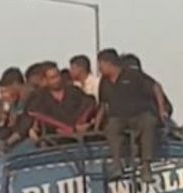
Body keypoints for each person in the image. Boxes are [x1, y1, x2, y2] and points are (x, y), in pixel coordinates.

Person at [95, 48, 166, 181]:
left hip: (140, 114)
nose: (99, 68)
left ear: (108, 63)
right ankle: (116, 164)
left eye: (100, 65)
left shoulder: (133, 74)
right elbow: (103, 105)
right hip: (118, 118)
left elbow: (156, 87)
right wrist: (96, 126)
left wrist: (161, 111)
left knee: (148, 123)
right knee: (111, 127)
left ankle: (146, 166)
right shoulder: (104, 82)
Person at [26, 61, 96, 135]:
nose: (57, 80)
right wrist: (69, 129)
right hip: (54, 140)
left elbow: (89, 103)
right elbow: (38, 115)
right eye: (52, 78)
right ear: (44, 80)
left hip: (82, 136)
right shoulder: (39, 97)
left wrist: (82, 122)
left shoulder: (73, 90)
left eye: (58, 76)